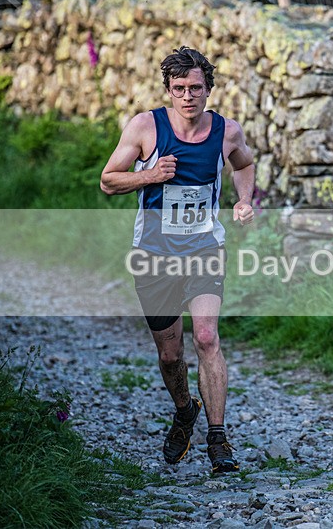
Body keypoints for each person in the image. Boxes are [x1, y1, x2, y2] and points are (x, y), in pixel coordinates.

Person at [100, 46, 254, 475]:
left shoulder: (226, 131)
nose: (188, 96)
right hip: (154, 256)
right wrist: (150, 174)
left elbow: (245, 163)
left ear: (209, 89)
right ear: (168, 90)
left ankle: (218, 437)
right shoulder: (146, 126)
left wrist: (244, 200)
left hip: (205, 250)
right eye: (180, 88)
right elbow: (108, 180)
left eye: (196, 88)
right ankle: (185, 410)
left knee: (206, 337)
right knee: (171, 357)